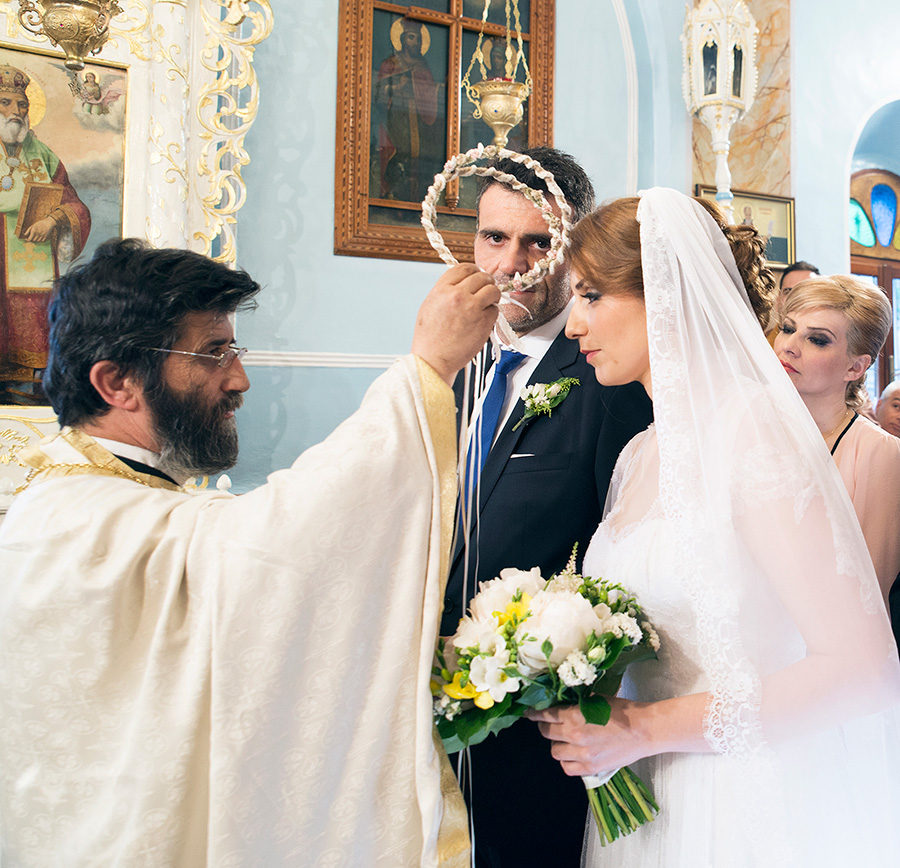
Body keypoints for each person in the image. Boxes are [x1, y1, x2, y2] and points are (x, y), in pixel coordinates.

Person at [0, 238, 500, 866]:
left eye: (233, 349)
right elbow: (270, 550)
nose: (238, 378)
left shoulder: (90, 495)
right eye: (211, 354)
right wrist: (426, 370)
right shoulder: (80, 518)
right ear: (117, 382)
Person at [531, 189, 900, 866]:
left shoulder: (751, 430)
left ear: (662, 293)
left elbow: (862, 670)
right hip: (650, 800)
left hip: (740, 803)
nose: (573, 325)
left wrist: (643, 727)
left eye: (591, 295)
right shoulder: (640, 453)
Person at [440, 147, 653, 867]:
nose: (511, 263)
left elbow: (629, 548)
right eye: (494, 238)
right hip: (438, 703)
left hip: (544, 721)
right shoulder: (455, 362)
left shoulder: (608, 376)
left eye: (539, 241)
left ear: (573, 248)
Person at [773, 274, 900, 601]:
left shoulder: (880, 453)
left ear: (855, 368)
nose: (789, 346)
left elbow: (868, 590)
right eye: (788, 328)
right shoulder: (755, 428)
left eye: (817, 339)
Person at [0, 63, 91, 405]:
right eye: (6, 103)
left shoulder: (43, 154)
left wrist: (53, 221)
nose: (16, 112)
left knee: (33, 317)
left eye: (21, 105)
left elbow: (74, 204)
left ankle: (29, 388)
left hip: (32, 261)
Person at [373, 18, 439, 202]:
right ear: (402, 39)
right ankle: (392, 194)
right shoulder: (391, 63)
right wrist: (397, 87)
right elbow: (379, 93)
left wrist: (422, 88)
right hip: (396, 117)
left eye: (418, 39)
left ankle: (418, 199)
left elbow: (430, 96)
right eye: (411, 37)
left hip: (418, 119)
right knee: (397, 154)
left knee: (418, 159)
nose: (415, 42)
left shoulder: (422, 66)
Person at [765, 260, 820, 346]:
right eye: (788, 291)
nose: (795, 299)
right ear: (778, 300)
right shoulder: (758, 344)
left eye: (806, 292)